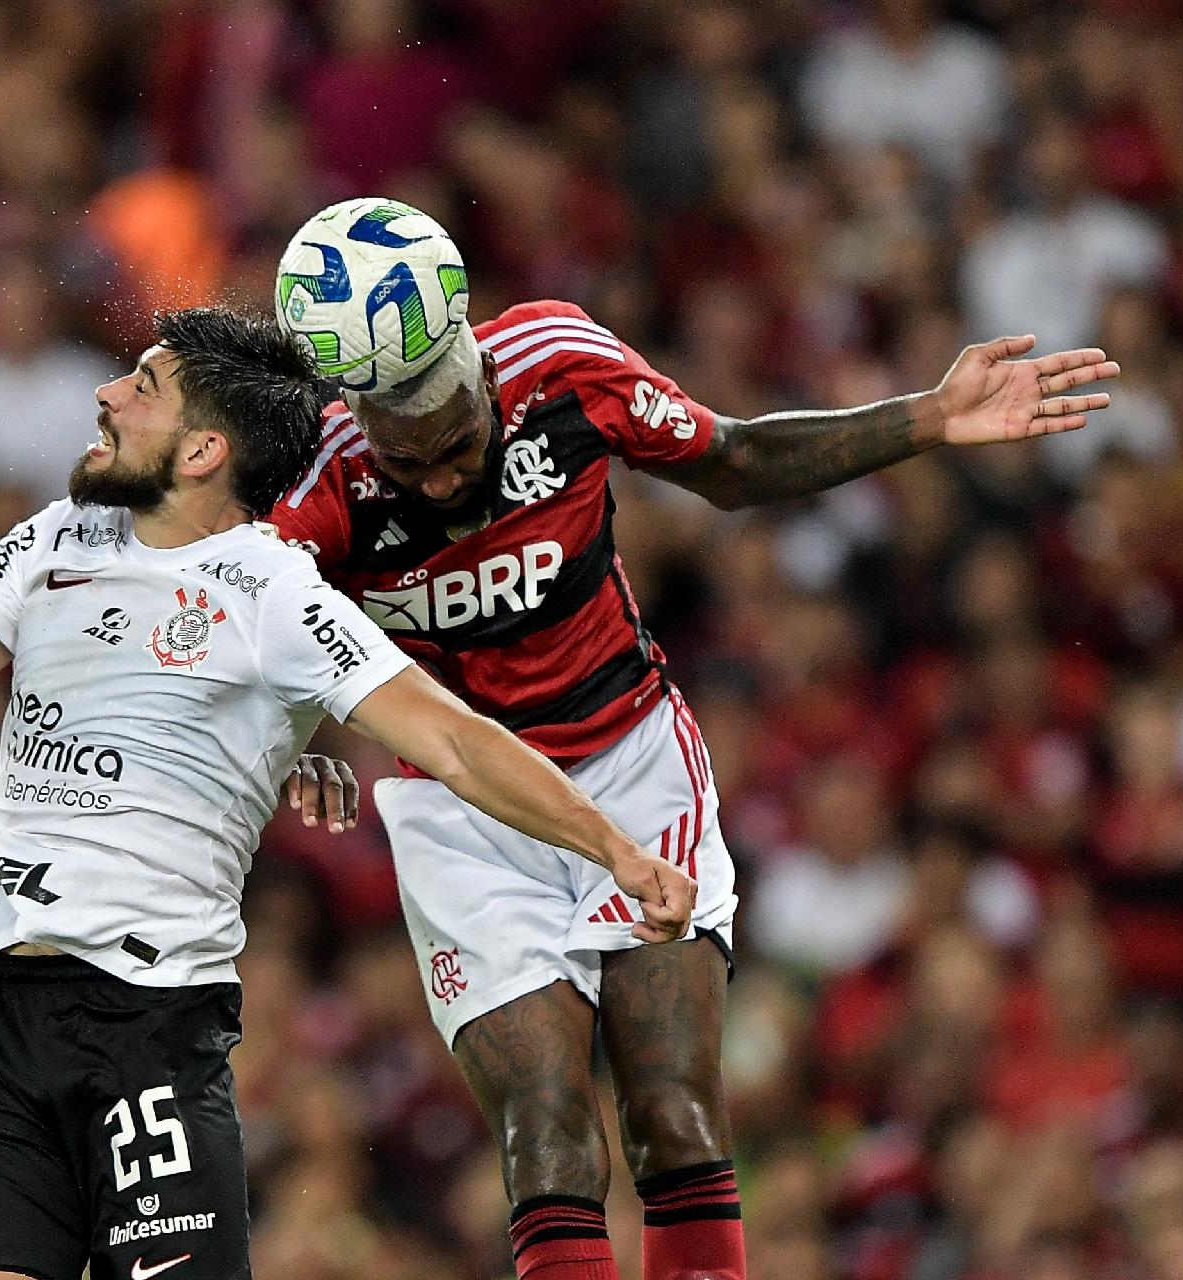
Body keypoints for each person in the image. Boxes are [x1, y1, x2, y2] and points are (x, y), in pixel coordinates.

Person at [0, 306, 697, 1280]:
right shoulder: (56, 539)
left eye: (145, 386)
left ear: (205, 451)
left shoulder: (273, 592)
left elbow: (456, 742)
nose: (108, 394)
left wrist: (617, 849)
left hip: (149, 1025)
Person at [270, 205, 1118, 1280]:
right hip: (465, 810)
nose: (439, 484)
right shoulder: (318, 480)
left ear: (473, 364)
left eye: (452, 448)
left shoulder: (564, 366)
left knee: (671, 1105)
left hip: (630, 760)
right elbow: (248, 623)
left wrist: (927, 418)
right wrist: (288, 729)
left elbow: (732, 459)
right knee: (547, 1126)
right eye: (410, 464)